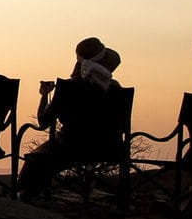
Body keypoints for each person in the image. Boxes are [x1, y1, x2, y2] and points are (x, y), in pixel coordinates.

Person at [19, 38, 122, 199]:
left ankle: (27, 195)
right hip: (109, 147)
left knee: (36, 160)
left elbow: (44, 122)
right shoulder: (115, 89)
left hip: (71, 147)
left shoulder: (68, 88)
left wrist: (44, 95)